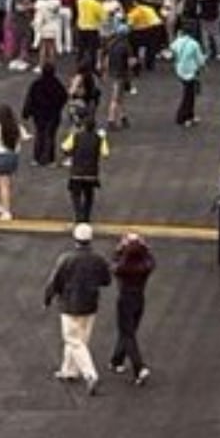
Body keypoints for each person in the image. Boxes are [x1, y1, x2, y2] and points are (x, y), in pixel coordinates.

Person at [44, 223, 111, 395]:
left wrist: (48, 297)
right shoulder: (99, 259)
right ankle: (69, 370)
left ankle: (90, 374)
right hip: (90, 304)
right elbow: (107, 280)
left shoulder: (66, 259)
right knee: (81, 339)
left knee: (73, 340)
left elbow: (55, 281)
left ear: (75, 239)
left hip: (70, 304)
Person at [108, 232, 155, 386]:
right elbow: (150, 258)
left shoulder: (122, 268)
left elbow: (113, 263)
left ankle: (139, 367)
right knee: (128, 331)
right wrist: (143, 247)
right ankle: (117, 360)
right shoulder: (145, 267)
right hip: (139, 299)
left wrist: (120, 249)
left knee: (127, 334)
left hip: (125, 299)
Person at [62, 104, 108, 224]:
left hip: (76, 172)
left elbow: (64, 147)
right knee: (89, 196)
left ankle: (79, 217)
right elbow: (105, 153)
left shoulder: (76, 136)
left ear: (83, 126)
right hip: (91, 172)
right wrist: (103, 139)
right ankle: (86, 218)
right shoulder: (99, 138)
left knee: (76, 196)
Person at [21, 61, 68, 166]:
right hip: (53, 114)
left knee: (40, 134)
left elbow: (29, 99)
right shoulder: (57, 84)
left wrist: (26, 113)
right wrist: (58, 107)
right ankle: (50, 159)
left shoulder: (36, 84)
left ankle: (37, 158)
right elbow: (64, 96)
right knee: (50, 135)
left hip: (39, 115)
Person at [0, 103, 24, 221]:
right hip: (14, 157)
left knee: (3, 185)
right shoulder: (17, 126)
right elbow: (24, 137)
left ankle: (6, 211)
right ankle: (2, 205)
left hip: (1, 157)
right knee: (6, 182)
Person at [168, 26, 206, 127]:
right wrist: (203, 66)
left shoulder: (177, 42)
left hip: (179, 69)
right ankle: (183, 117)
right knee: (189, 96)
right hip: (190, 71)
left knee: (188, 94)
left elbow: (171, 52)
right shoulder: (194, 44)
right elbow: (200, 60)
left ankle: (189, 115)